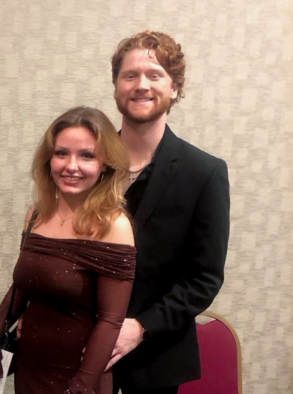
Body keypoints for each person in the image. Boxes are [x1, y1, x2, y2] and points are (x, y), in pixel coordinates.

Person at [0, 107, 136, 394]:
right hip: (31, 363)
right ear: (49, 159)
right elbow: (22, 286)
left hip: (78, 375)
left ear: (105, 163)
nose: (71, 166)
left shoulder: (114, 224)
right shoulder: (37, 213)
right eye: (62, 153)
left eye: (86, 155)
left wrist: (81, 387)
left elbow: (111, 320)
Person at [106, 31, 230, 394]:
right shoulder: (88, 165)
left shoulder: (204, 172)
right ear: (115, 86)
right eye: (130, 75)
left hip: (155, 362)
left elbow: (204, 277)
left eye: (154, 74)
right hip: (79, 355)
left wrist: (140, 327)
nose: (141, 85)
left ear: (174, 87)